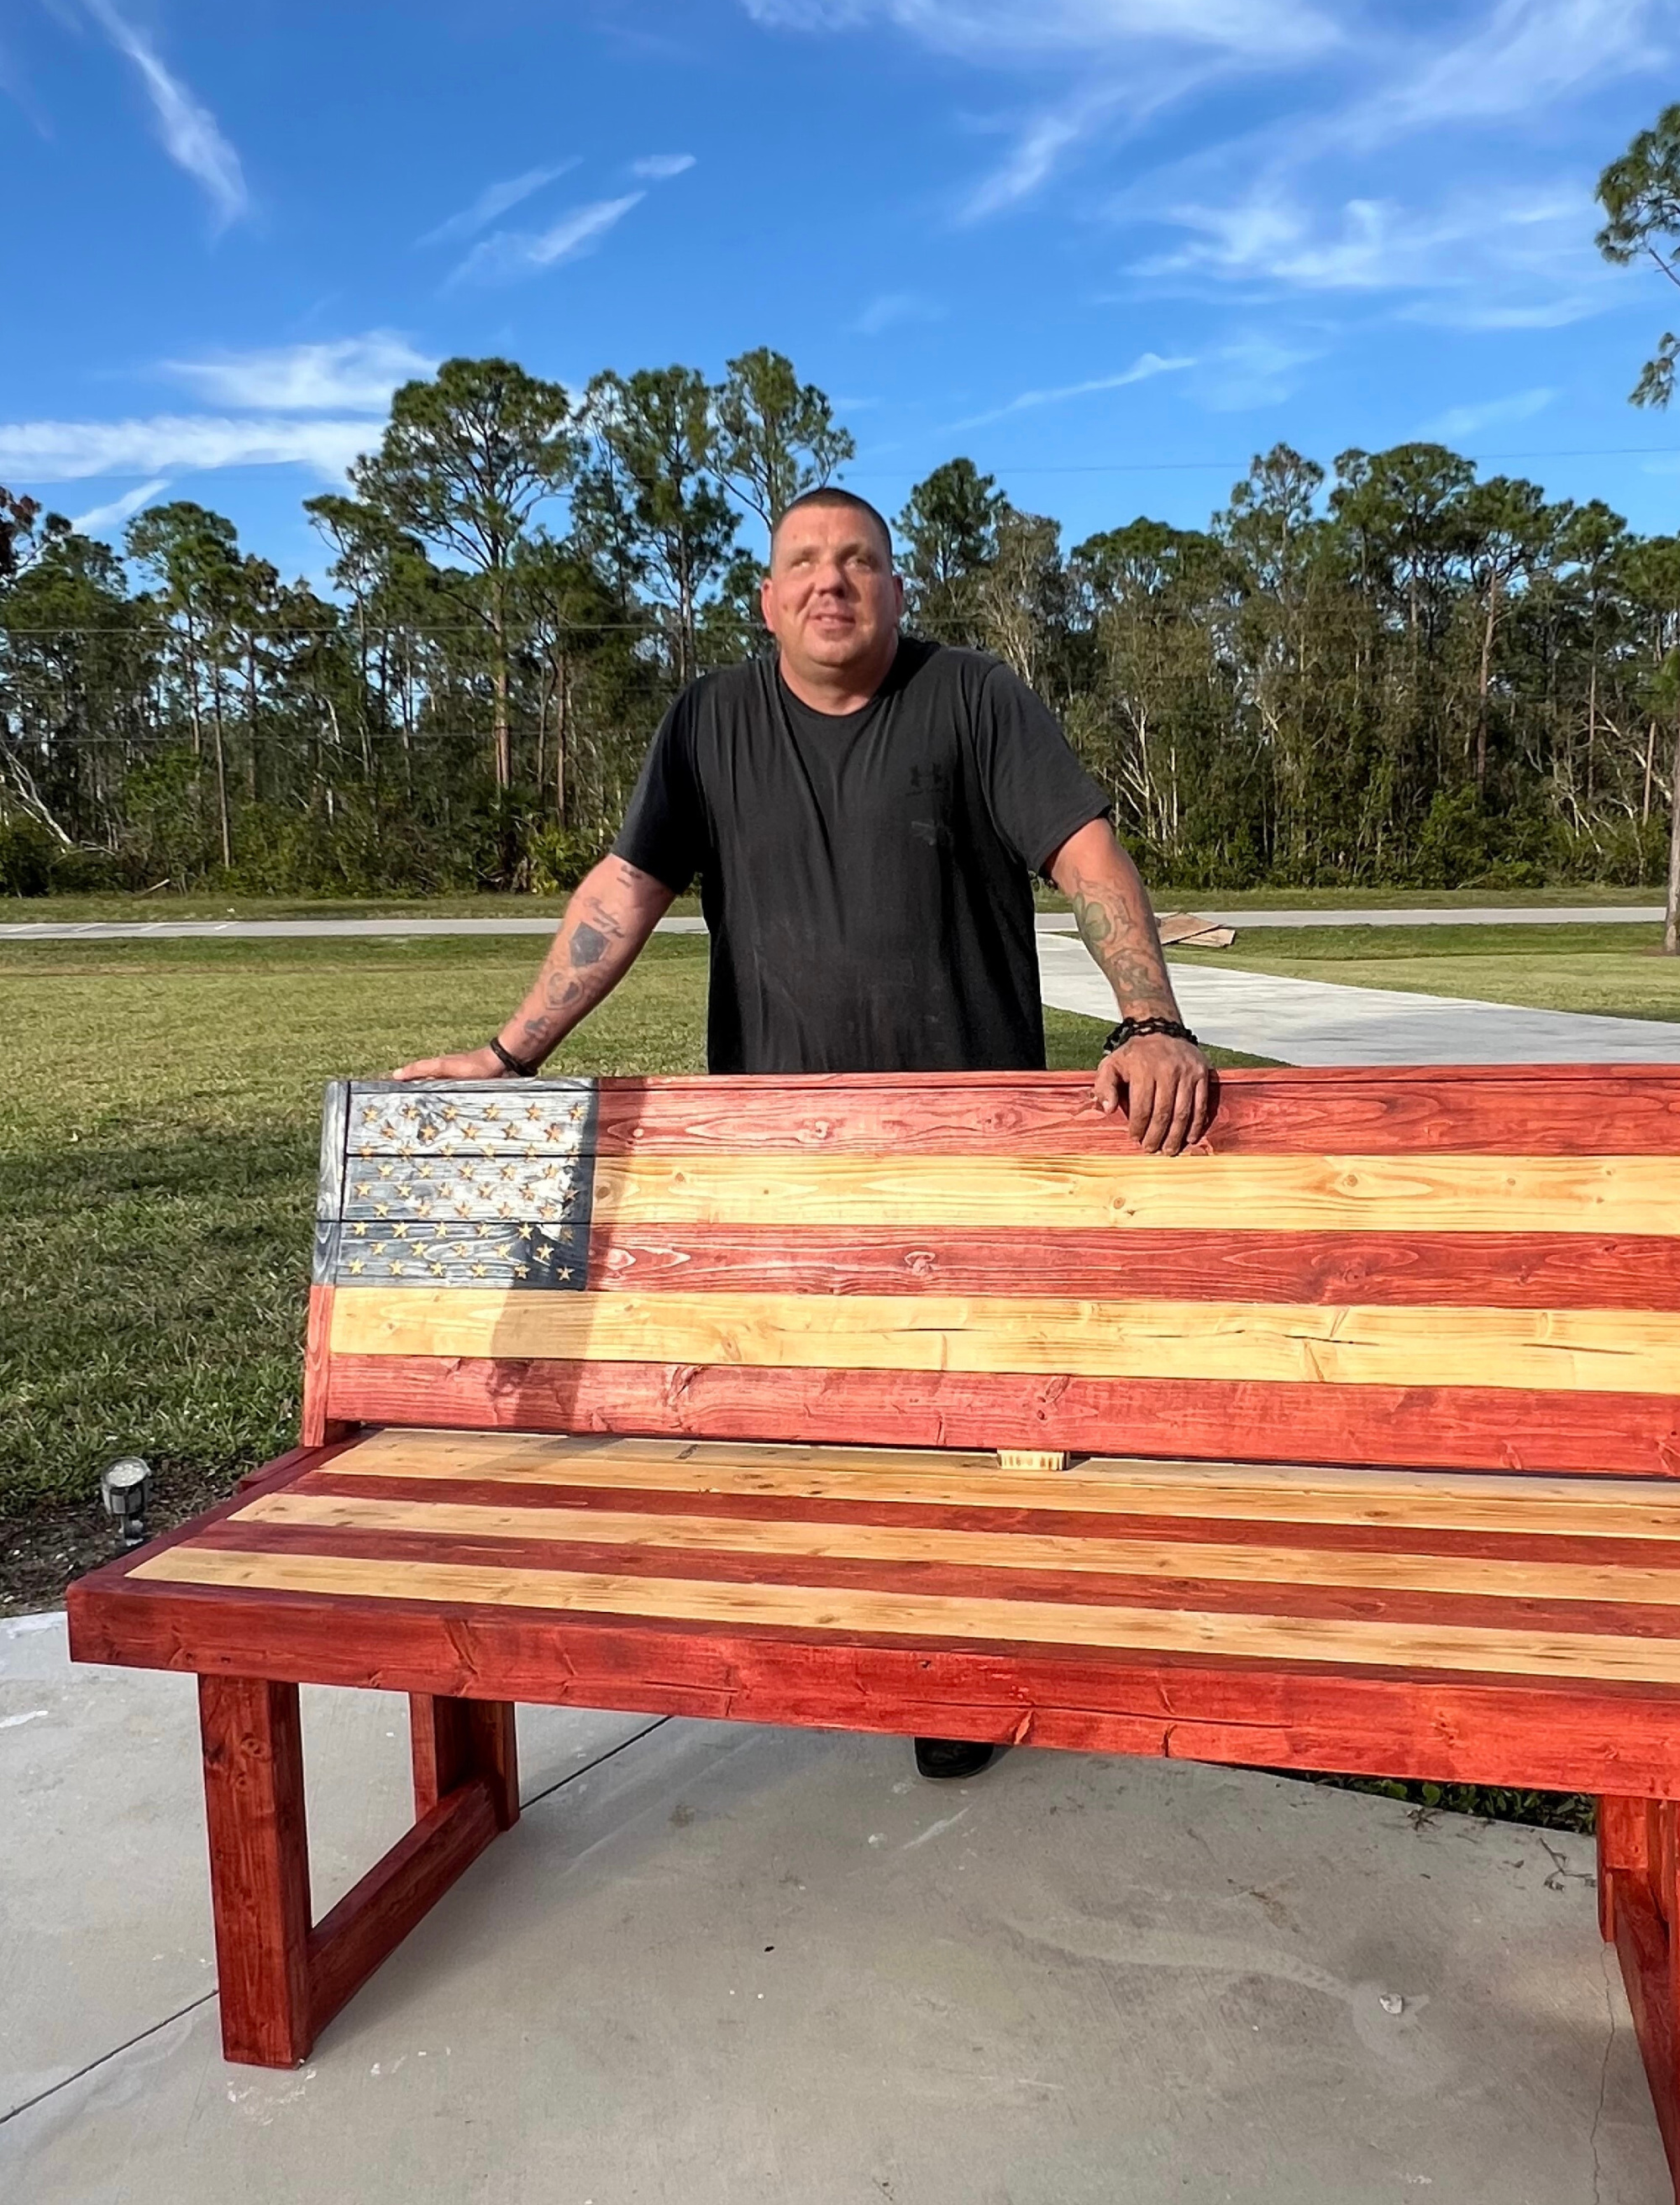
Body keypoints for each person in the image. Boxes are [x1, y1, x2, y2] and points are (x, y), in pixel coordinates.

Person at [396, 484, 1214, 1779]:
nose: (833, 581)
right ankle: (843, 1650)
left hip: (969, 1155)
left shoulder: (974, 699)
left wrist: (1150, 1020)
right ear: (768, 599)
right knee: (825, 1430)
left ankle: (953, 1679)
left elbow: (1086, 856)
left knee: (962, 1431)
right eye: (807, 563)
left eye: (860, 560)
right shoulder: (708, 721)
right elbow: (626, 887)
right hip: (785, 1161)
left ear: (896, 588)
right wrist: (510, 1055)